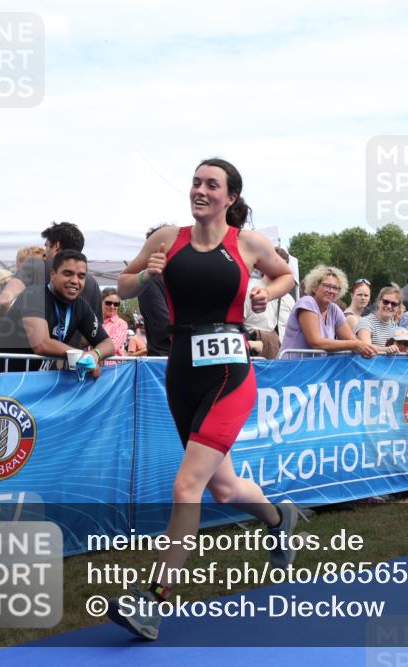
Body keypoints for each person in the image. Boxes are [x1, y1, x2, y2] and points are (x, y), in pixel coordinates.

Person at [107, 158, 297, 641]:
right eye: (195, 182)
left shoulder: (247, 243)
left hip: (230, 373)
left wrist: (264, 293)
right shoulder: (167, 238)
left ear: (230, 197)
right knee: (224, 489)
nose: (200, 190)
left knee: (186, 486)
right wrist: (146, 275)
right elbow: (123, 285)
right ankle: (280, 518)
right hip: (181, 370)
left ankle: (153, 600)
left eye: (211, 184)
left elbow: (287, 278)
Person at [0, 250, 116, 375]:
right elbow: (41, 344)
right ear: (53, 275)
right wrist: (80, 355)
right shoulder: (34, 294)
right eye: (68, 273)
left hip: (23, 379)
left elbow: (108, 344)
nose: (75, 281)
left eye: (81, 276)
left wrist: (95, 354)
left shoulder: (80, 305)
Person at [0, 222, 104, 326]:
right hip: (69, 344)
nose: (45, 252)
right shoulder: (91, 283)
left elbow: (4, 301)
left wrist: (5, 325)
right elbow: (96, 327)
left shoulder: (35, 266)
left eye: (47, 246)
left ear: (57, 245)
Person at [281, 266, 380, 358]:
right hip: (292, 367)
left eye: (335, 288)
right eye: (327, 286)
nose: (331, 291)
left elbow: (351, 338)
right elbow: (316, 342)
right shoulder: (307, 302)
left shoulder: (334, 309)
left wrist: (370, 348)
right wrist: (356, 345)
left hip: (316, 369)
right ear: (315, 287)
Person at [136, 225, 172, 357]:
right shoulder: (150, 280)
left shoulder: (178, 276)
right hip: (165, 361)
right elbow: (163, 325)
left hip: (190, 357)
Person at [356, 284, 403, 351]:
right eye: (385, 302)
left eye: (394, 304)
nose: (389, 306)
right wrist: (386, 350)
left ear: (398, 308)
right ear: (378, 302)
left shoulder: (395, 327)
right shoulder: (366, 322)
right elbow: (366, 346)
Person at [100, 288, 128, 356]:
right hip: (91, 364)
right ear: (101, 301)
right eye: (108, 303)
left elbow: (113, 346)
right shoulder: (93, 319)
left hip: (112, 366)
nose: (112, 307)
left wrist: (94, 352)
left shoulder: (121, 324)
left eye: (116, 304)